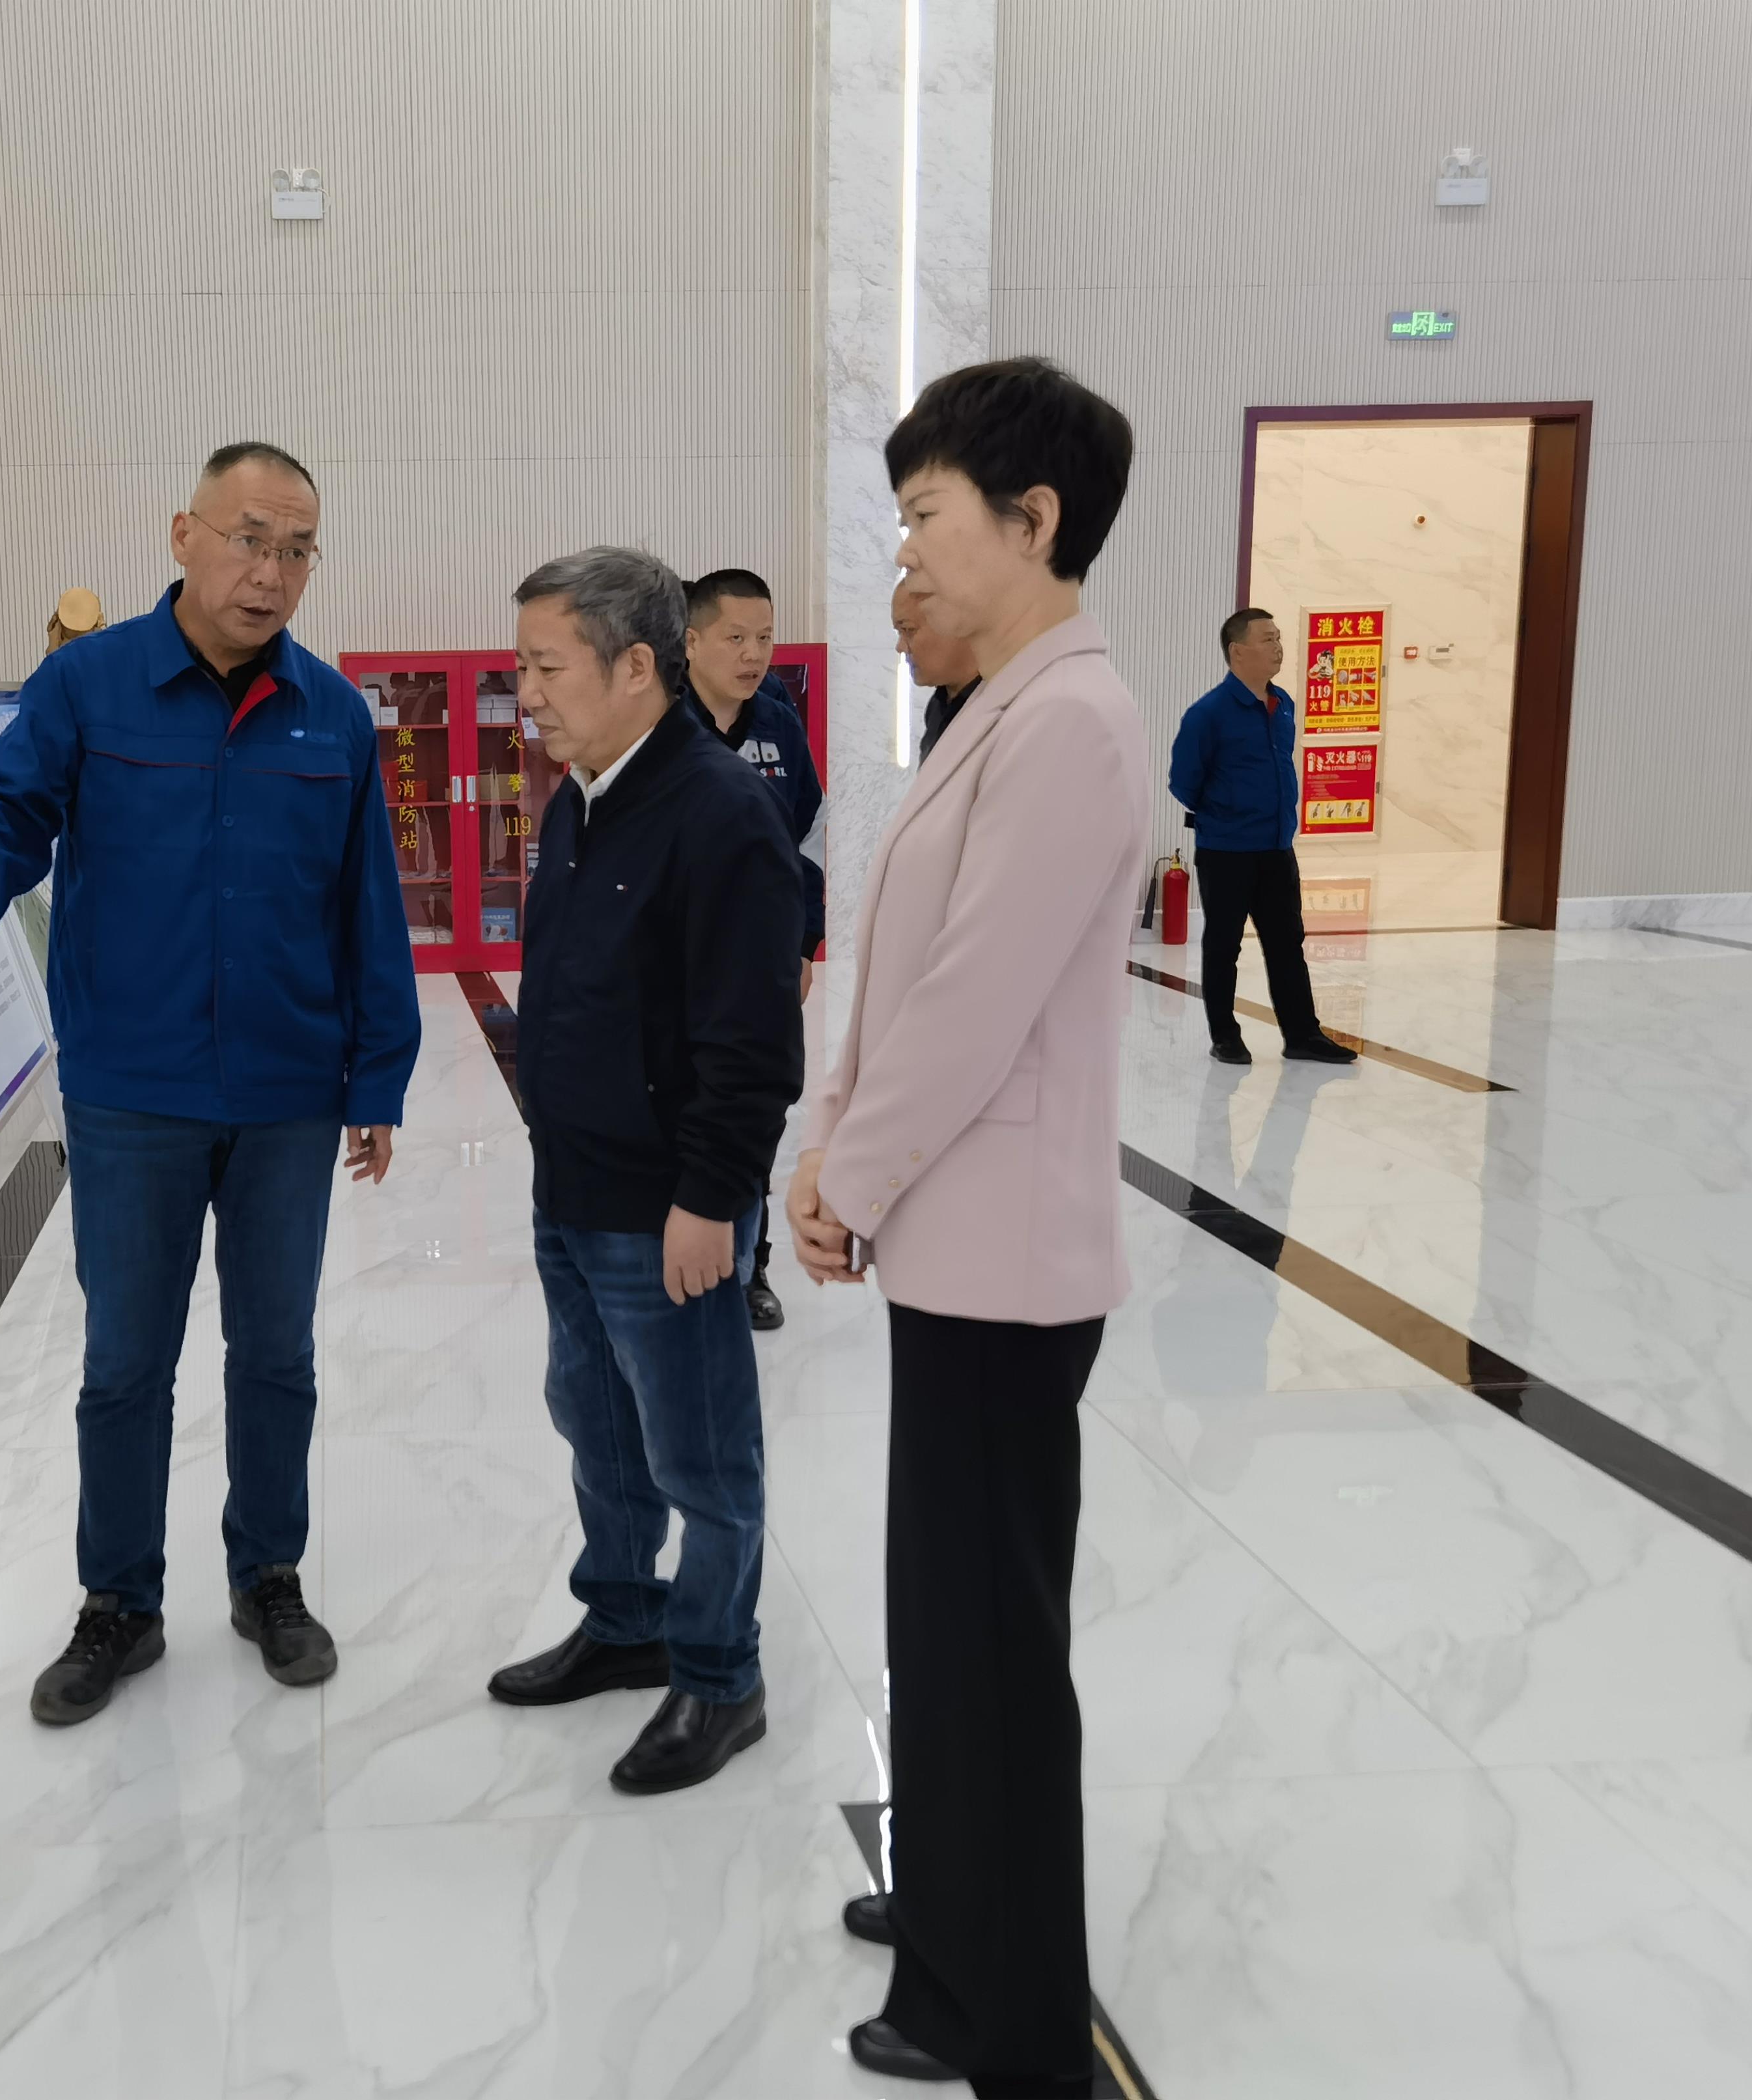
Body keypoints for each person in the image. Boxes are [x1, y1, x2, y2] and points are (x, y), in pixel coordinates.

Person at [0, 441, 421, 1726]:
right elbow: (8, 808)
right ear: (184, 535)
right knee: (125, 1359)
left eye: (297, 549)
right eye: (249, 539)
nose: (271, 572)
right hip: (133, 1087)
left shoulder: (331, 714)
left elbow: (367, 905)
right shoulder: (88, 684)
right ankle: (118, 1601)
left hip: (289, 1090)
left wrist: (377, 1075)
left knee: (276, 1352)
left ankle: (268, 1575)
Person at [786, 357, 1147, 2092]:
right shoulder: (1005, 707)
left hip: (1002, 1263)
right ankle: (950, 1909)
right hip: (962, 1245)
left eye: (926, 513)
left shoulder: (1070, 722)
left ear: (1033, 517)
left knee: (989, 1648)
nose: (907, 549)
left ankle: (1004, 2019)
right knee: (944, 1624)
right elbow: (908, 979)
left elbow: (970, 1003)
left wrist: (843, 1179)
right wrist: (833, 1148)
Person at [488, 546, 803, 1796]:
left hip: (666, 1206)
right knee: (596, 1422)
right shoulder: (582, 796)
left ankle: (721, 1677)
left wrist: (712, 1202)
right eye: (521, 667)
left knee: (701, 1453)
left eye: (546, 666)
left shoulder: (720, 814)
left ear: (634, 666)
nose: (527, 693)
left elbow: (751, 1046)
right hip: (571, 1187)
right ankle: (625, 1619)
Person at [678, 566, 824, 1334]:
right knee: (684, 1112)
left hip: (762, 966)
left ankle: (750, 1268)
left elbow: (811, 836)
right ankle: (684, 1261)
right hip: (679, 967)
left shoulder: (778, 725)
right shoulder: (657, 723)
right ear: (690, 640)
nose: (753, 654)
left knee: (753, 1117)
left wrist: (804, 942)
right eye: (734, 637)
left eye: (764, 638)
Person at [1165, 611, 1359, 1065]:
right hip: (1226, 850)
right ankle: (1225, 1037)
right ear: (1238, 651)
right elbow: (1184, 783)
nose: (1278, 647)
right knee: (1223, 946)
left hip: (1276, 848)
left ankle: (1303, 1035)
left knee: (1287, 942)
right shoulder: (1208, 714)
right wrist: (1227, 810)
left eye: (1278, 638)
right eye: (1267, 639)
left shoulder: (1283, 703)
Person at [893, 574, 980, 764]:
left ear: (955, 624)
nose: (900, 647)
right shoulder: (938, 704)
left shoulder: (1004, 709)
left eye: (908, 630)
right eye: (899, 633)